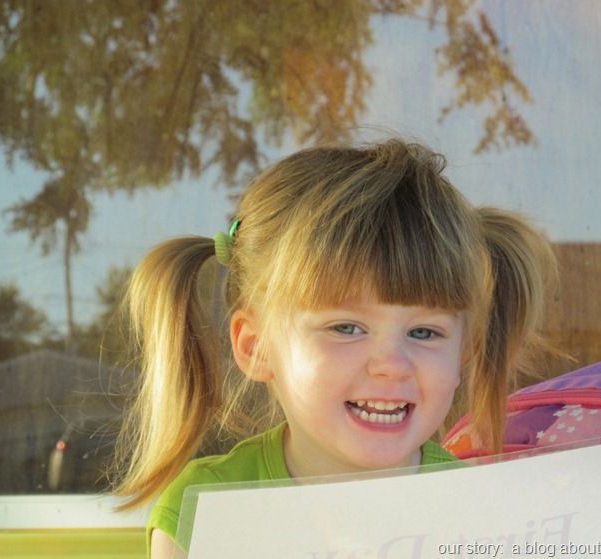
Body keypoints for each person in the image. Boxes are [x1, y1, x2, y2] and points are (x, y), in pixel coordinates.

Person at [111, 138, 557, 557]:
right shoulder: (203, 512)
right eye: (346, 327)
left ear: (464, 351)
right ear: (256, 347)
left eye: (424, 332)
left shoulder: (487, 518)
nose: (393, 365)